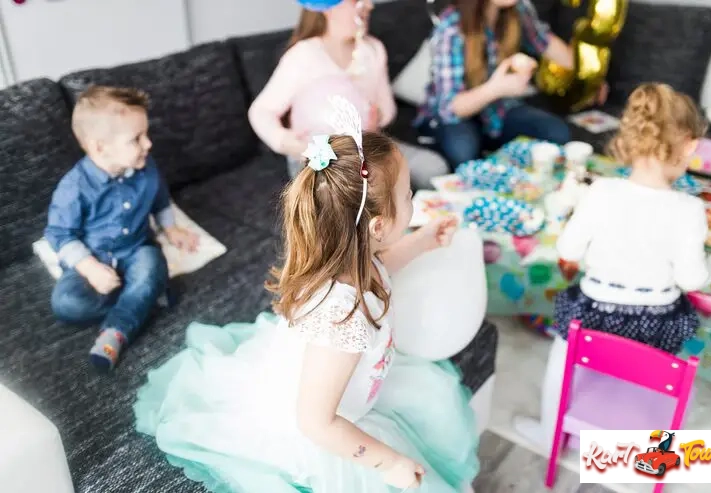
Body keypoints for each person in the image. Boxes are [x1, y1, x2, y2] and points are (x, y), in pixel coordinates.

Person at [133, 118, 480, 492]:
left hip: (344, 391)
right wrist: (387, 460)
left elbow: (382, 268)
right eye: (409, 195)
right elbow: (316, 423)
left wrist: (422, 241)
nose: (413, 200)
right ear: (377, 227)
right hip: (322, 428)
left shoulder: (359, 256)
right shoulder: (343, 320)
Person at [513, 83, 711, 450]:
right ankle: (654, 449)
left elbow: (568, 248)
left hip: (594, 317)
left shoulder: (600, 191)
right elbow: (690, 279)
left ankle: (549, 433)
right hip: (656, 324)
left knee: (561, 354)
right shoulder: (689, 210)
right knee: (675, 372)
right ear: (691, 146)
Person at [45, 86, 199, 370]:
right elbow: (58, 234)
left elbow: (159, 196)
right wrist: (90, 268)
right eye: (136, 139)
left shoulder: (146, 166)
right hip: (94, 257)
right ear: (99, 147)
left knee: (151, 263)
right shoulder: (74, 187)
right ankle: (146, 296)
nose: (148, 144)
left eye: (146, 134)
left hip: (137, 249)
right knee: (65, 303)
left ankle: (116, 331)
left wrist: (171, 228)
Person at [248, 0, 450, 189]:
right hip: (318, 152)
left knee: (434, 168)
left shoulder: (372, 50)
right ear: (328, 8)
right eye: (356, 0)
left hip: (366, 143)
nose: (369, 5)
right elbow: (261, 111)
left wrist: (374, 114)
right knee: (357, 190)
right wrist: (289, 142)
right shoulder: (303, 55)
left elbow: (388, 111)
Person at [416, 0, 605, 167]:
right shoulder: (451, 27)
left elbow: (544, 42)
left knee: (558, 133)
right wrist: (497, 88)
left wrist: (590, 77)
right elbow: (450, 108)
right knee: (463, 152)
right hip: (455, 116)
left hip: (496, 109)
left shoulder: (519, 8)